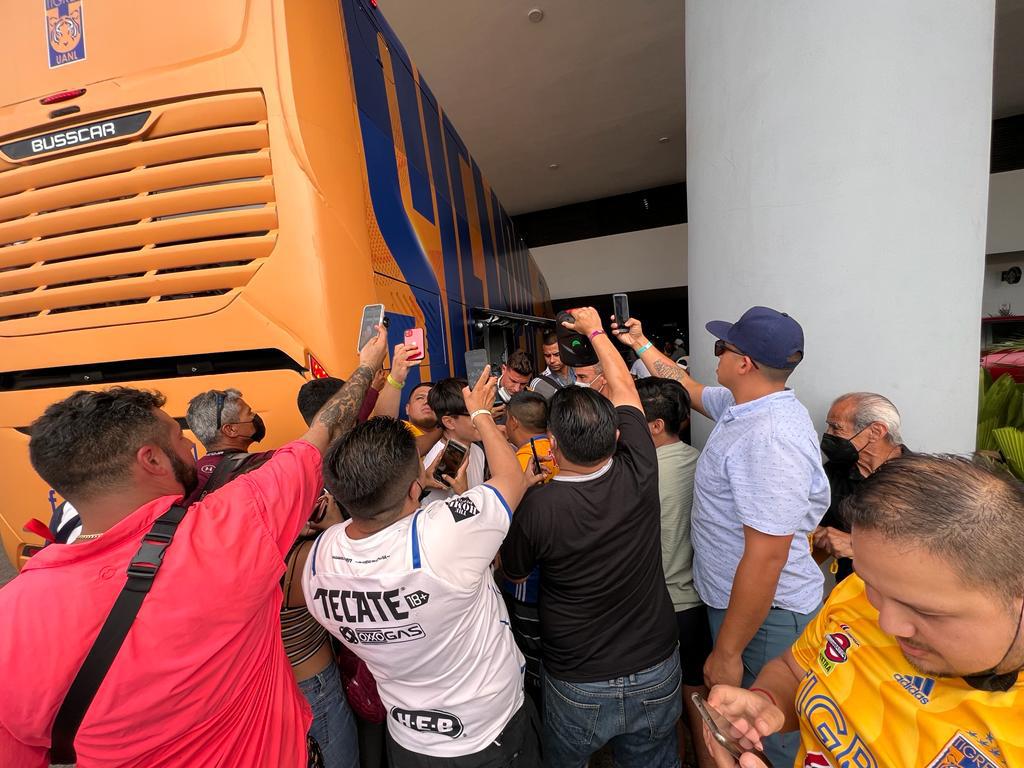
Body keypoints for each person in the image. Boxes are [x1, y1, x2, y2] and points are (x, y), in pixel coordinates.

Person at [0, 326, 389, 767]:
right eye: (177, 437)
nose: (189, 445)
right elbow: (327, 430)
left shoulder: (10, 615)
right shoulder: (229, 528)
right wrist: (369, 363)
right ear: (150, 459)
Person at [703, 454, 1024, 768]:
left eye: (925, 611)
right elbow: (795, 668)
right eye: (871, 583)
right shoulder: (859, 594)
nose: (887, 622)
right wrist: (766, 703)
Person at [621, 306, 829, 768]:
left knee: (763, 740)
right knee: (739, 735)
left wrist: (729, 651)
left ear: (744, 363)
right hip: (739, 606)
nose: (713, 355)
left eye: (721, 347)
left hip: (765, 616)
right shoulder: (745, 407)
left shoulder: (770, 438)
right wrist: (638, 342)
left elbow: (767, 558)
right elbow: (687, 387)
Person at [303, 368, 541, 768]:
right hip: (490, 733)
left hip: (410, 742)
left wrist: (417, 486)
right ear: (414, 486)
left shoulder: (316, 563)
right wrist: (482, 413)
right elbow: (510, 477)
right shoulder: (442, 536)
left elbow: (358, 525)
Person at [500, 307, 682, 768]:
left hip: (577, 677)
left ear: (554, 446)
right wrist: (597, 331)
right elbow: (623, 388)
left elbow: (513, 571)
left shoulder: (538, 506)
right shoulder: (641, 468)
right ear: (620, 435)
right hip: (656, 665)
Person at [636, 377, 714, 768]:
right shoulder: (701, 461)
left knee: (661, 709)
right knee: (697, 698)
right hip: (695, 603)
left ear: (654, 426)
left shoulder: (640, 475)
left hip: (658, 606)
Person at [499, 390, 557, 712]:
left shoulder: (516, 464)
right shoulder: (560, 451)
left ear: (513, 421)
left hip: (527, 578)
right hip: (560, 571)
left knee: (532, 646)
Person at [814, 392, 908, 582]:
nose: (827, 435)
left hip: (904, 600)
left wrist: (856, 546)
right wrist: (815, 534)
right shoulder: (833, 472)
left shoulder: (922, 480)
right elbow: (811, 524)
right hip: (850, 603)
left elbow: (931, 552)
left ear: (876, 432)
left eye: (836, 428)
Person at [185, 387, 272, 498]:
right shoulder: (263, 464)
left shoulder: (190, 479)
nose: (254, 416)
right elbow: (298, 453)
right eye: (249, 413)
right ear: (230, 430)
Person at [421, 378, 487, 504]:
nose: (482, 418)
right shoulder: (437, 464)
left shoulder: (478, 450)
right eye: (473, 414)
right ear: (449, 422)